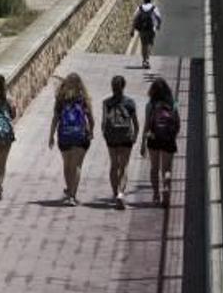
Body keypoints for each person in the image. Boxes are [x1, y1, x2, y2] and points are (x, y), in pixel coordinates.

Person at [48, 73, 95, 206]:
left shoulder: (61, 99)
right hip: (80, 136)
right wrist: (91, 131)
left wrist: (51, 136)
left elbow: (55, 119)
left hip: (64, 136)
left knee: (67, 165)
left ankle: (69, 191)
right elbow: (91, 118)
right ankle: (73, 196)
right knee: (77, 165)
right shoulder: (83, 98)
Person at [141, 77, 180, 208]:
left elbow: (146, 125)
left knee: (154, 168)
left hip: (153, 138)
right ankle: (166, 187)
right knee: (166, 168)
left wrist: (142, 143)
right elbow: (177, 123)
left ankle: (156, 195)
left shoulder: (150, 105)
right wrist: (173, 135)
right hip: (168, 139)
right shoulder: (174, 103)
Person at [102, 75, 139, 210]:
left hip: (112, 138)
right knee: (123, 167)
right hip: (125, 138)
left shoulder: (106, 103)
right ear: (123, 86)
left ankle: (114, 192)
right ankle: (121, 193)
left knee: (114, 165)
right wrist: (135, 136)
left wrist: (106, 136)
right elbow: (135, 123)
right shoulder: (130, 102)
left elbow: (104, 123)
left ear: (112, 87)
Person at [132, 0, 162, 69]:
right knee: (150, 44)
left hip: (142, 29)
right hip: (151, 29)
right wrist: (158, 25)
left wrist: (132, 29)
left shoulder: (140, 8)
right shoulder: (154, 8)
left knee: (143, 44)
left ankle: (144, 60)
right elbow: (159, 17)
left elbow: (135, 18)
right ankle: (147, 60)